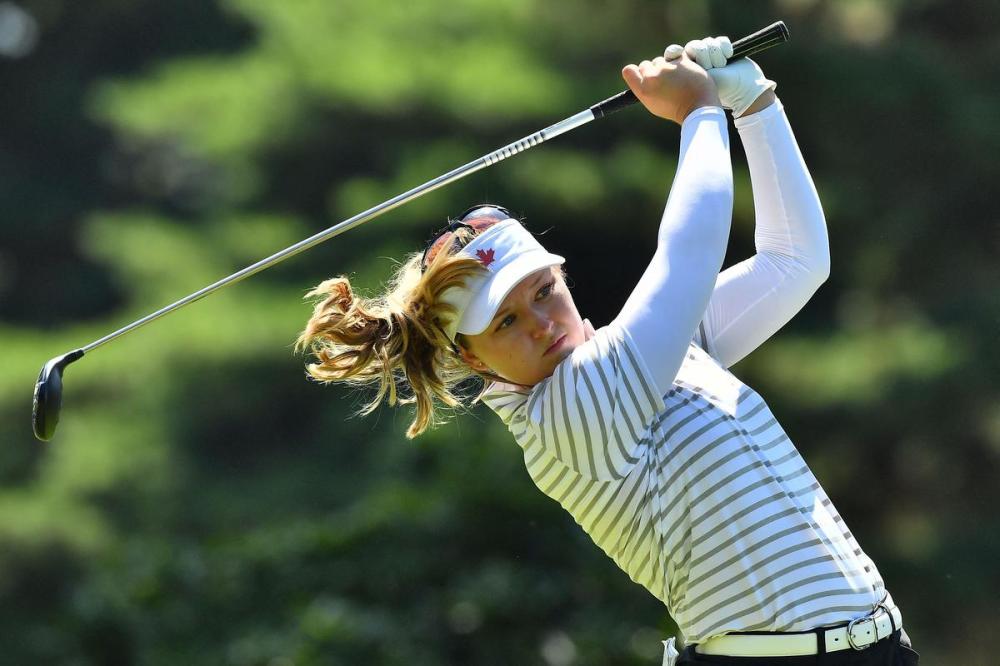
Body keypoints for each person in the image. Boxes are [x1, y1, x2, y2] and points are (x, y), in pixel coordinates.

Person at [296, 36, 919, 665]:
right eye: (506, 322)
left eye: (543, 291)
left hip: (879, 647)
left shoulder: (651, 355)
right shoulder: (568, 412)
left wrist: (754, 104)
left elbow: (796, 261)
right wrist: (699, 112)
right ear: (475, 358)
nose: (541, 323)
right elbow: (691, 250)